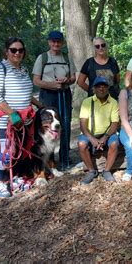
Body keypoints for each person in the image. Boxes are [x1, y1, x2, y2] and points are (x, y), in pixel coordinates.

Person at [0, 37, 43, 197]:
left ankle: (14, 178)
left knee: (20, 150)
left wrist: (38, 104)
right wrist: (11, 113)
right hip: (8, 121)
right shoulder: (0, 69)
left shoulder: (23, 70)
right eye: (13, 50)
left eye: (20, 50)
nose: (17, 53)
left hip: (24, 121)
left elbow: (26, 93)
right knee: (7, 151)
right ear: (6, 52)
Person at [32, 30, 76, 169]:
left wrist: (66, 80)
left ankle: (65, 157)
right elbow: (36, 81)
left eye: (58, 41)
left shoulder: (67, 58)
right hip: (48, 95)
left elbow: (73, 78)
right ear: (49, 42)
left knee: (64, 124)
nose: (56, 43)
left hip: (64, 94)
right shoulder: (42, 58)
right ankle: (48, 158)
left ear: (62, 42)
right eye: (53, 41)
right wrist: (52, 85)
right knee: (46, 125)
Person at [78, 76, 120, 185]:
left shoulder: (114, 102)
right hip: (91, 133)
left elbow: (115, 123)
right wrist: (92, 139)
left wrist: (105, 137)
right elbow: (82, 124)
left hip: (107, 133)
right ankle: (92, 171)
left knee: (114, 143)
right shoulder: (87, 102)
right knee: (82, 144)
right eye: (98, 86)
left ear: (108, 88)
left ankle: (106, 171)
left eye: (104, 86)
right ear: (94, 89)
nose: (101, 89)